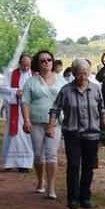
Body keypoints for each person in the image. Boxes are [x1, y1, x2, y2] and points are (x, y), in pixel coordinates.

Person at [48, 59, 105, 209]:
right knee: (74, 166)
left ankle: (85, 197)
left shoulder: (96, 89)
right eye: (79, 74)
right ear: (74, 73)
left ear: (89, 73)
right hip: (72, 134)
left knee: (88, 167)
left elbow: (102, 110)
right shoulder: (66, 90)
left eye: (85, 73)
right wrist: (50, 126)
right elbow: (55, 109)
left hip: (92, 135)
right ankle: (73, 198)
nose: (82, 77)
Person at [22, 50, 65, 199]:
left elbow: (68, 101)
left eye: (49, 60)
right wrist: (26, 120)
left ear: (53, 62)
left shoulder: (61, 81)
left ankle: (51, 187)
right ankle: (41, 180)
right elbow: (25, 102)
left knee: (51, 154)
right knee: (39, 155)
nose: (46, 63)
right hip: (36, 123)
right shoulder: (31, 81)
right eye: (43, 61)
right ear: (37, 64)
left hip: (55, 124)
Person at [0, 54, 34, 172]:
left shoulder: (34, 75)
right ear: (19, 64)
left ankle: (24, 164)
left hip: (29, 111)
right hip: (15, 109)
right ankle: (10, 162)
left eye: (28, 65)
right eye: (23, 65)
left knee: (27, 136)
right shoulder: (12, 74)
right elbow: (2, 88)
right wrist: (15, 91)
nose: (25, 67)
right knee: (14, 136)